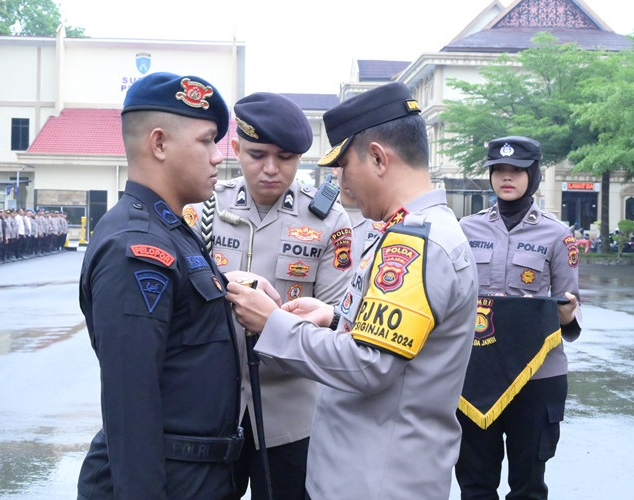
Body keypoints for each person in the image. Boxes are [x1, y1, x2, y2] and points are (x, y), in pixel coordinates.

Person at [226, 81, 479, 499]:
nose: (339, 181)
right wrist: (332, 318)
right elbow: (394, 343)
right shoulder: (414, 231)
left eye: (343, 165)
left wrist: (273, 324)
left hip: (376, 479)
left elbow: (368, 365)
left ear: (378, 158)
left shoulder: (415, 244)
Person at [76, 71, 244, 499]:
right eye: (206, 141)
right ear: (159, 144)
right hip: (167, 480)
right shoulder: (137, 247)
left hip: (195, 475)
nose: (217, 157)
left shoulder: (170, 229)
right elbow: (131, 405)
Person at [184, 92, 353, 500]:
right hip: (208, 406)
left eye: (287, 158)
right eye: (257, 155)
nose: (272, 170)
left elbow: (335, 323)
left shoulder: (328, 220)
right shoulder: (201, 207)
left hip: (291, 411)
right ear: (236, 148)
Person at [455, 136, 581, 499]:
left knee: (528, 484)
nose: (506, 178)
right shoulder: (466, 230)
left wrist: (568, 315)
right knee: (475, 481)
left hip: (537, 376)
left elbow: (570, 305)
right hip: (478, 371)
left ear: (534, 175)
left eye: (517, 171)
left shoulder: (557, 235)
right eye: (499, 171)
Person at [331, 165, 383, 264]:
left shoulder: (386, 212)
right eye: (345, 164)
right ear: (335, 168)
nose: (352, 174)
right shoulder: (321, 212)